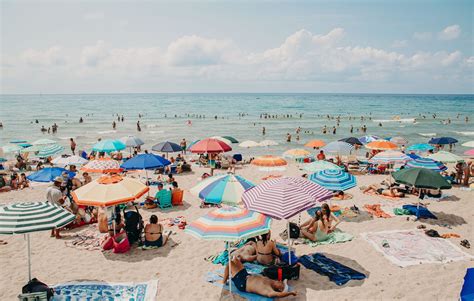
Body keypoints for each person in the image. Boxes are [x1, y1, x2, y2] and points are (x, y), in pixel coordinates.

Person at [221, 256, 296, 298]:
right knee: (235, 259)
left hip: (242, 283)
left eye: (281, 284)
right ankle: (229, 274)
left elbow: (278, 295)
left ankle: (223, 281)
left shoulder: (269, 291)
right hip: (246, 275)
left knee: (229, 264)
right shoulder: (272, 281)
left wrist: (291, 293)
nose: (280, 281)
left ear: (279, 289)